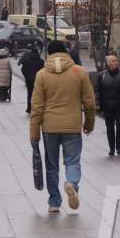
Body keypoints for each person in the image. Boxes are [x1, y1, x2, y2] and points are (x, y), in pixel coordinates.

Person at [29, 40, 95, 213]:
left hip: (49, 126)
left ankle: (54, 202)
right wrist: (89, 124)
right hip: (72, 126)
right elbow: (89, 102)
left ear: (49, 54)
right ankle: (71, 183)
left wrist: (34, 132)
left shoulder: (42, 74)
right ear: (66, 52)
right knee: (72, 161)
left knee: (52, 165)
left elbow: (36, 107)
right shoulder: (79, 72)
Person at [96, 55, 120, 156]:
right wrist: (98, 104)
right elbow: (98, 91)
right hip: (107, 106)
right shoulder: (102, 75)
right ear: (108, 63)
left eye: (116, 60)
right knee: (109, 127)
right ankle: (111, 147)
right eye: (113, 61)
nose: (115, 62)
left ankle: (118, 145)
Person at [20, 49, 45, 114]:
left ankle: (29, 108)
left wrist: (26, 76)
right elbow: (44, 70)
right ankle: (37, 108)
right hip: (38, 80)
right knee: (39, 95)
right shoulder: (41, 61)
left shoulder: (27, 61)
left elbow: (23, 69)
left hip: (29, 80)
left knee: (30, 94)